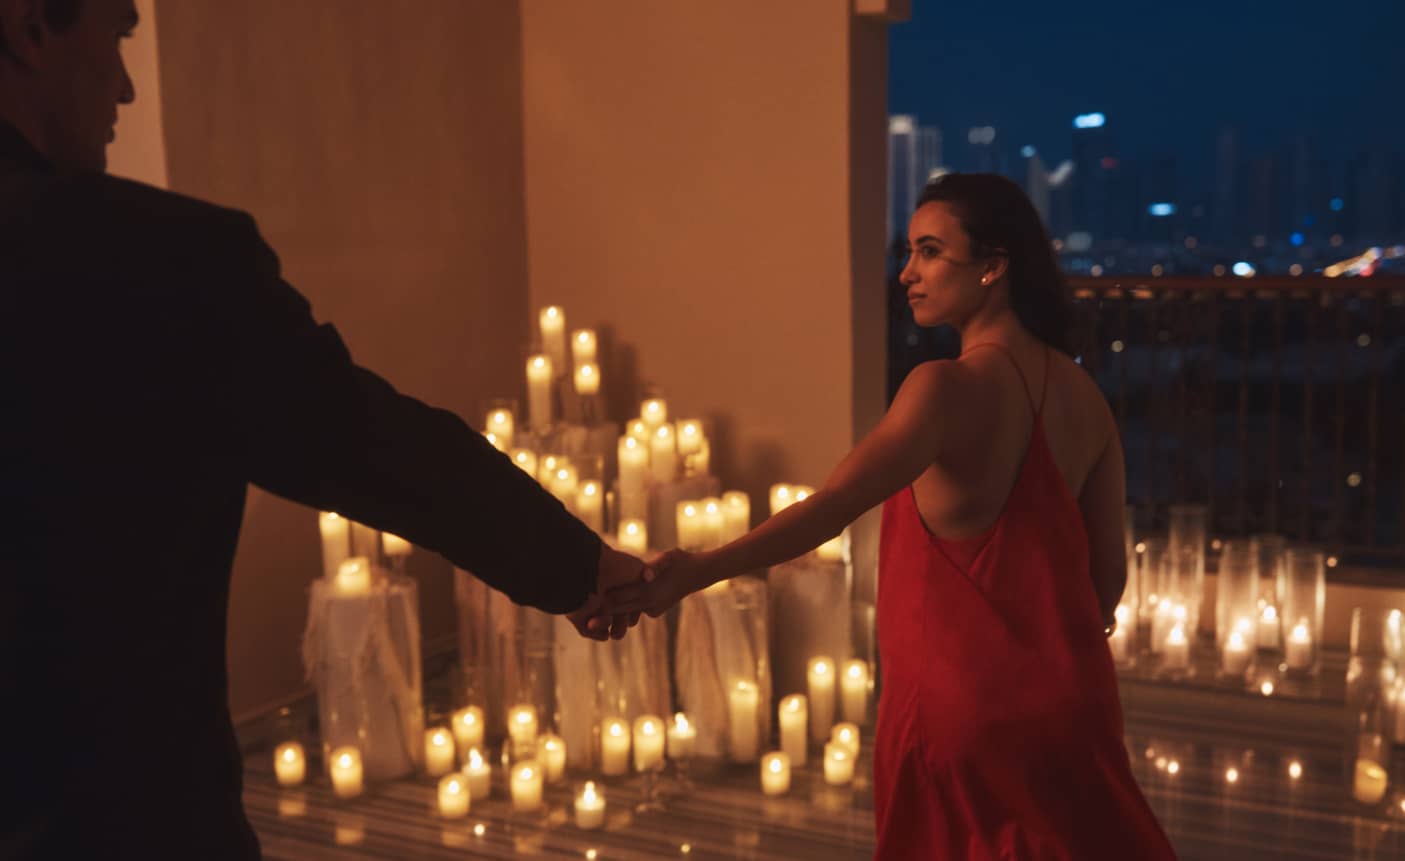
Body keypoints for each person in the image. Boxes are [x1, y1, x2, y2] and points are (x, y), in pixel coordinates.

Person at [0, 0, 641, 857]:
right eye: (115, 36)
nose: (122, 87)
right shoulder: (155, 260)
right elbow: (366, 445)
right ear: (29, 28)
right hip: (115, 818)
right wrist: (578, 566)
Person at [609, 173, 1178, 859]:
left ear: (994, 266)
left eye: (931, 251)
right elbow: (1106, 580)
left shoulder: (943, 389)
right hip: (1071, 710)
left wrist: (698, 569)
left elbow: (829, 510)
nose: (907, 272)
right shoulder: (1085, 396)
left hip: (958, 721)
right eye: (909, 252)